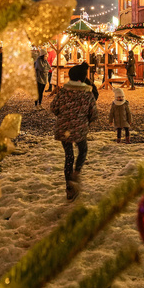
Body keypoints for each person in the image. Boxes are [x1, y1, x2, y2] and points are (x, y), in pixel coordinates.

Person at [50, 63, 98, 201]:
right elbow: (93, 113)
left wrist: (63, 116)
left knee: (68, 156)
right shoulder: (87, 93)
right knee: (82, 150)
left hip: (64, 128)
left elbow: (53, 107)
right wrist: (86, 120)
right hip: (80, 128)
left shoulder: (64, 91)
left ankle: (69, 188)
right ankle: (77, 173)